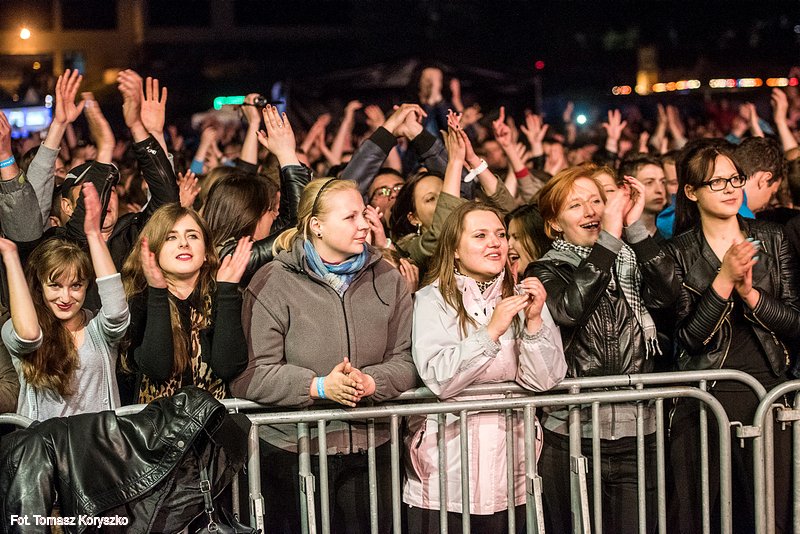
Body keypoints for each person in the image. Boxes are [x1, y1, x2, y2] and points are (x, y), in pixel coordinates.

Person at [229, 177, 418, 534]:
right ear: (316, 225)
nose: (364, 225)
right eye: (350, 217)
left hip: (375, 450)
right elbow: (251, 375)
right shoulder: (272, 281)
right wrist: (318, 387)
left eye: (363, 214)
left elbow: (406, 361)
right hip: (294, 454)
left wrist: (372, 382)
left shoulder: (388, 277)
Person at [527, 165, 679, 534]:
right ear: (554, 224)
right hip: (572, 436)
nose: (591, 211)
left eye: (596, 201)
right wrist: (609, 239)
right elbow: (570, 309)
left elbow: (668, 294)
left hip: (639, 432)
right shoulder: (544, 270)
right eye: (575, 205)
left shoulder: (631, 258)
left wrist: (634, 227)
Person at [405, 200, 567, 533]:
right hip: (445, 477)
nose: (495, 242)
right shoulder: (431, 299)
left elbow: (545, 381)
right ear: (455, 250)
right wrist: (491, 332)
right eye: (480, 235)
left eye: (501, 234)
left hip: (513, 471)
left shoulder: (522, 296)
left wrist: (534, 322)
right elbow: (439, 377)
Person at [666, 140, 799, 534]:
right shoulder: (678, 252)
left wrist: (752, 296)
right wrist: (723, 282)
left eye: (735, 179)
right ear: (691, 191)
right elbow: (689, 339)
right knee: (708, 517)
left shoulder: (772, 237)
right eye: (716, 182)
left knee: (770, 517)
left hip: (769, 391)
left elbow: (795, 323)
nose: (729, 188)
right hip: (706, 399)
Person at [1, 183, 129, 420]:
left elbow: (117, 312)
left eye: (76, 285)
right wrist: (10, 256)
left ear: (87, 285)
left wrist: (93, 235)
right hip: (44, 443)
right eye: (55, 285)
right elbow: (29, 335)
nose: (66, 297)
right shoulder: (15, 327)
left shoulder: (97, 330)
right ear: (40, 286)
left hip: (96, 442)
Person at [121, 204, 252, 403]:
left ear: (206, 252)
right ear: (154, 250)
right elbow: (157, 369)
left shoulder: (223, 295)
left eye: (192, 236)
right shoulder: (140, 300)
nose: (184, 243)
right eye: (171, 237)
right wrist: (158, 293)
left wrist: (227, 291)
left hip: (215, 419)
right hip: (157, 421)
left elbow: (228, 367)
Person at [506, 203, 552, 280]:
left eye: (516, 237)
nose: (508, 244)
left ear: (539, 240)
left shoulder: (555, 281)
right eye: (508, 238)